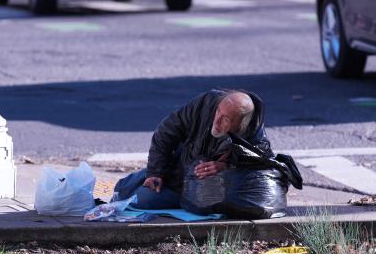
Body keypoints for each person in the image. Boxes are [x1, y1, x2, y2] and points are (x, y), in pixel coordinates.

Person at [113, 89, 272, 209]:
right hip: (178, 170)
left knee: (141, 199)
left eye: (226, 119)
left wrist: (226, 167)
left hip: (200, 193)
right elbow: (166, 133)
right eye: (218, 112)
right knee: (122, 188)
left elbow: (261, 169)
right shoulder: (206, 103)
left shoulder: (255, 139)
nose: (216, 121)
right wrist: (155, 172)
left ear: (241, 124)